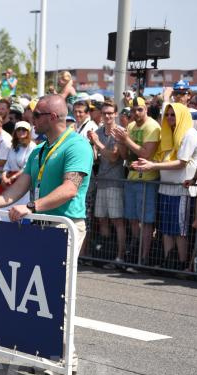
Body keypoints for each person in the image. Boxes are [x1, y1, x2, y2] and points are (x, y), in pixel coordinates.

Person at [0, 94, 93, 375]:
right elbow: (16, 190)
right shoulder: (40, 149)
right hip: (41, 227)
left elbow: (70, 189)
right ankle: (45, 352)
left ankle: (64, 363)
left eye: (37, 115)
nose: (31, 120)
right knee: (37, 296)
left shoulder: (77, 145)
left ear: (53, 117)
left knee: (58, 297)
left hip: (65, 228)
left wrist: (33, 207)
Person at [131, 103, 197, 271]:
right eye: (168, 115)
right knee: (166, 230)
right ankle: (169, 262)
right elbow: (164, 161)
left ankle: (182, 264)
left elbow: (181, 163)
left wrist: (152, 166)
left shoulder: (190, 134)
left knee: (180, 231)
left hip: (181, 190)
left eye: (173, 115)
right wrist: (147, 163)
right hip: (165, 189)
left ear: (182, 115)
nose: (170, 118)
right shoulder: (168, 133)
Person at [113, 96, 161, 266]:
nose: (136, 113)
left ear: (146, 109)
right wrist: (120, 143)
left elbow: (145, 154)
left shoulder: (153, 126)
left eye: (139, 109)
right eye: (133, 110)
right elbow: (126, 156)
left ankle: (144, 257)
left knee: (146, 221)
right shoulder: (131, 126)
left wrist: (126, 140)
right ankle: (136, 254)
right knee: (133, 219)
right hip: (131, 178)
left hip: (147, 180)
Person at [88, 101, 127, 268]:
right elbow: (96, 157)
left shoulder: (120, 132)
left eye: (111, 113)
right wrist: (91, 145)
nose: (108, 116)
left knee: (117, 221)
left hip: (115, 182)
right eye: (105, 113)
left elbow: (113, 157)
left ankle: (120, 257)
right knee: (102, 219)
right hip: (101, 181)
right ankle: (106, 254)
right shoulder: (98, 131)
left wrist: (97, 143)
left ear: (116, 114)